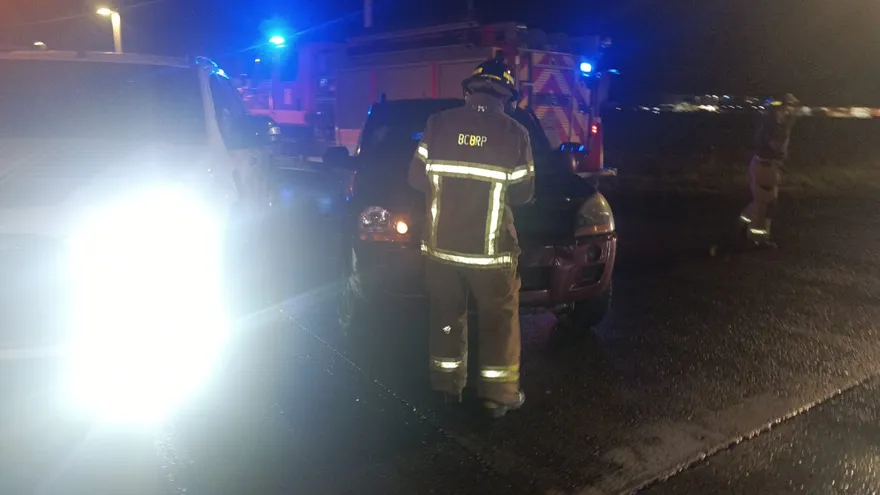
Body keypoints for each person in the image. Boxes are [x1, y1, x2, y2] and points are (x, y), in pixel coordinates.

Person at [407, 52, 535, 418]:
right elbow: (525, 193)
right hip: (491, 256)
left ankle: (446, 386)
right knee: (498, 322)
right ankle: (497, 397)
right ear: (506, 98)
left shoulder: (438, 123)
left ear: (470, 91)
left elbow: (415, 179)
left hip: (441, 250)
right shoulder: (515, 133)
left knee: (447, 317)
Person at [739, 93, 801, 249]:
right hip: (766, 167)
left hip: (763, 166)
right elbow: (776, 147)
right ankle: (757, 238)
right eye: (789, 106)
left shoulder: (770, 123)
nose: (791, 110)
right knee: (766, 204)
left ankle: (743, 222)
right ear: (780, 107)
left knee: (762, 200)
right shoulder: (774, 126)